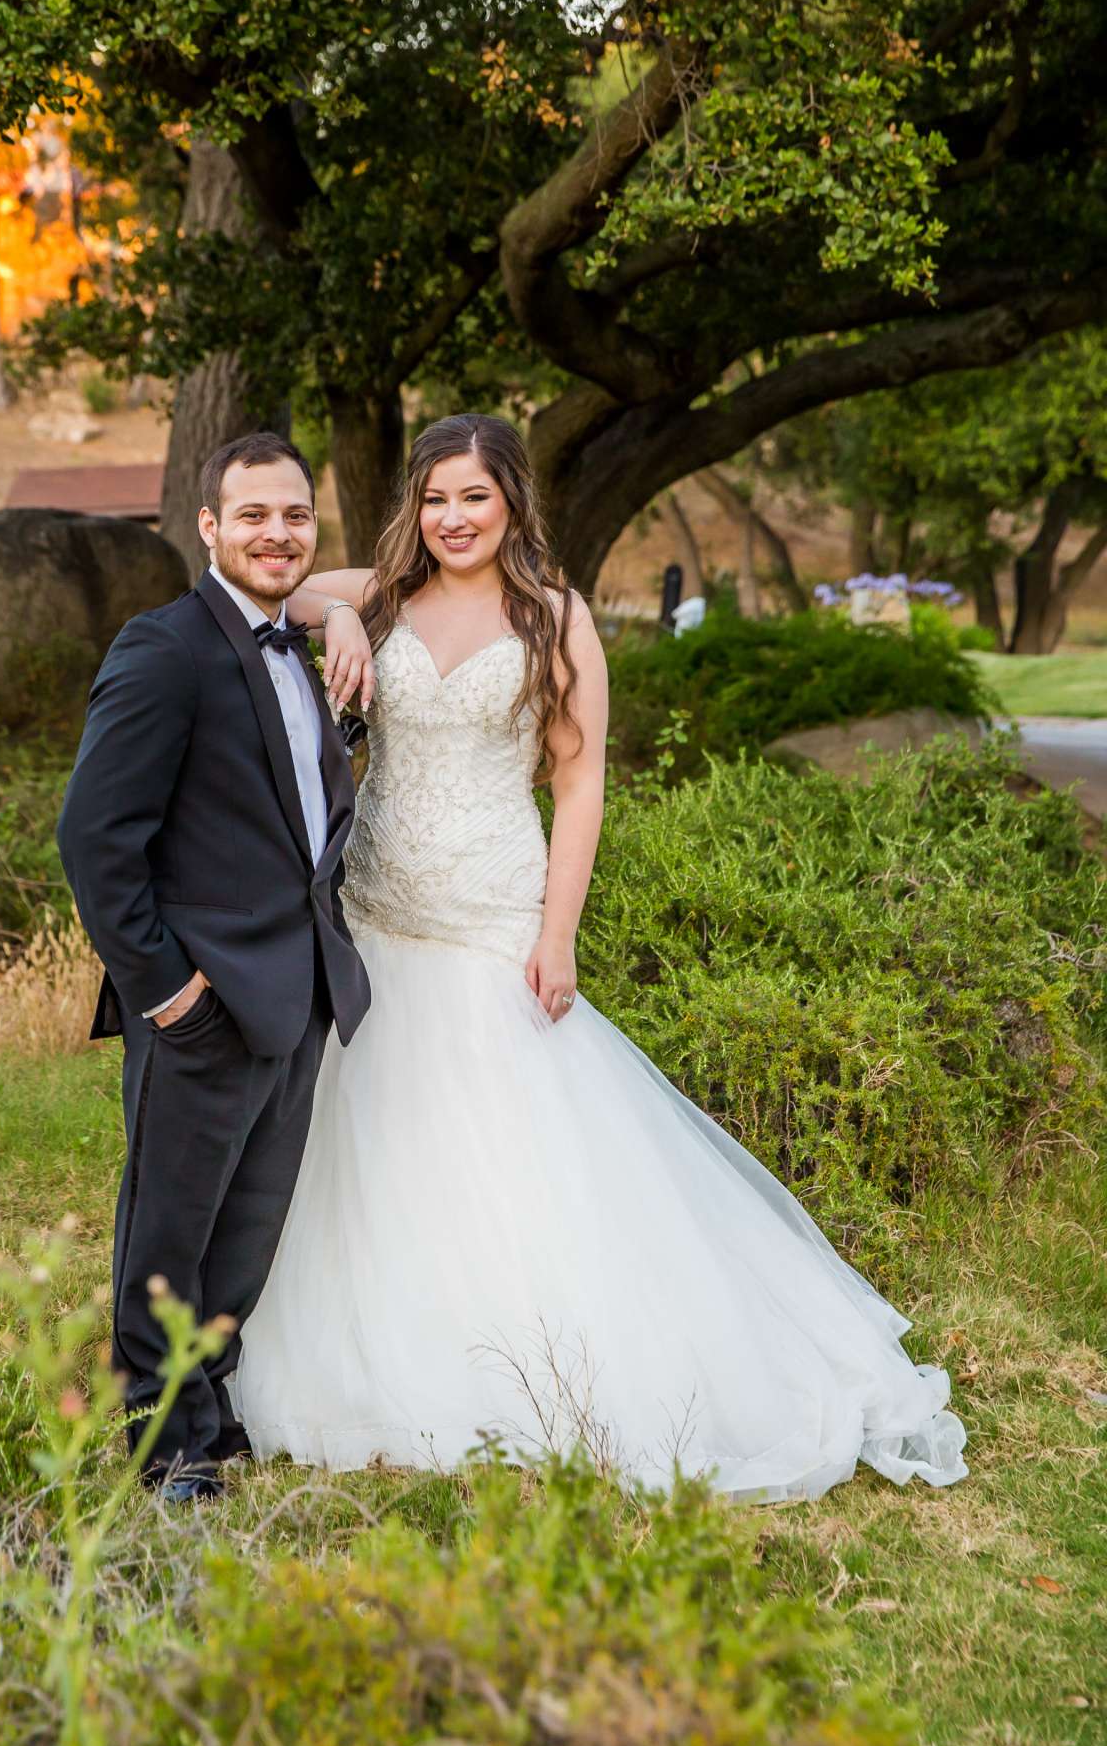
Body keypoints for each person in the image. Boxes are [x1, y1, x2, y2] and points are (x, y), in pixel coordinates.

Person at [231, 413, 967, 1502]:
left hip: (490, 913)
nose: (452, 519)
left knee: (505, 1150)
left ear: (513, 502)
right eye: (433, 499)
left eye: (473, 497)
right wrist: (340, 614)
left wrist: (556, 934)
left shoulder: (556, 620)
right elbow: (270, 588)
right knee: (372, 1137)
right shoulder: (385, 593)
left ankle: (520, 1364)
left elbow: (578, 782)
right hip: (376, 915)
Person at [57, 432, 370, 1502]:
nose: (276, 534)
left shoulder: (297, 645)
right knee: (171, 1225)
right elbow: (95, 840)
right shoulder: (165, 648)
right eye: (253, 516)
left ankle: (209, 1406)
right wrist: (165, 989)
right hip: (199, 1000)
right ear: (208, 526)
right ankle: (155, 1439)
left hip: (297, 994)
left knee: (244, 1228)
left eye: (293, 516)